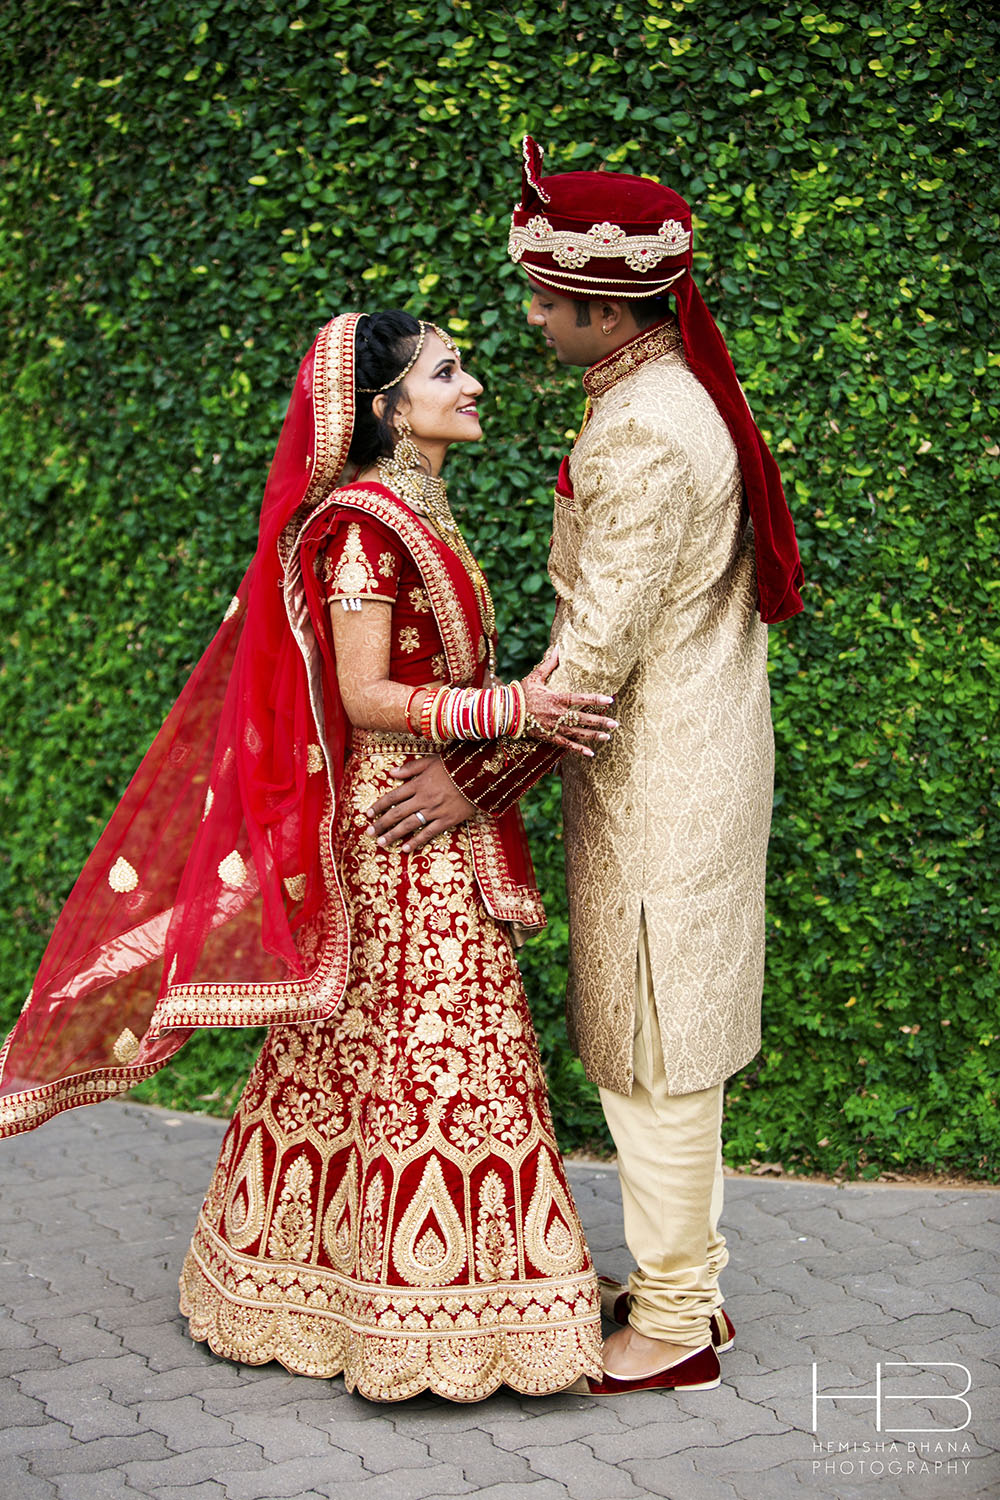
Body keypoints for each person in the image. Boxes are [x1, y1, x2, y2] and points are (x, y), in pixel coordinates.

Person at [0, 309, 618, 1401]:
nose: (470, 384)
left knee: (367, 1051)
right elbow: (363, 695)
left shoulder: (414, 507)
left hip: (427, 813)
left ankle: (312, 1282)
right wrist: (511, 708)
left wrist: (514, 709)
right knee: (436, 1053)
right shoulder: (364, 523)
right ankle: (428, 1310)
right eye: (445, 371)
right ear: (388, 408)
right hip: (397, 825)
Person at [367, 139, 804, 1395]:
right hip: (678, 759)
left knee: (654, 1055)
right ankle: (691, 1294)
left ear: (605, 311)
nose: (528, 318)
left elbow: (592, 661)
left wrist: (470, 782)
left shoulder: (644, 431)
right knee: (662, 1043)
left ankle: (673, 1329)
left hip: (661, 775)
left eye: (544, 300)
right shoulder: (658, 396)